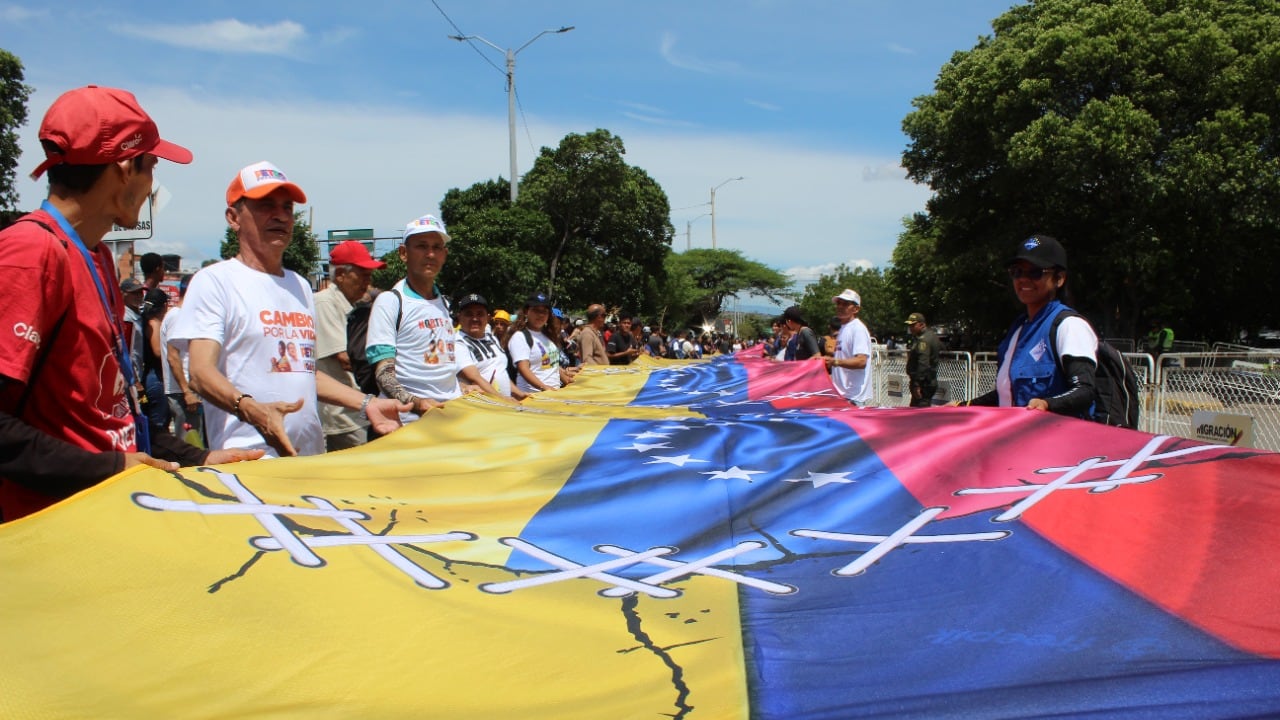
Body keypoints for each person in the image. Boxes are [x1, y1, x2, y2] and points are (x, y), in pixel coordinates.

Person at [0, 85, 261, 522]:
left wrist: (199, 458)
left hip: (104, 518)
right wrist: (108, 470)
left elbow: (109, 415)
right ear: (124, 168)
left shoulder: (97, 256)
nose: (151, 187)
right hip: (47, 532)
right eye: (151, 168)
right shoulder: (29, 252)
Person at [173, 160, 408, 457]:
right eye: (265, 205)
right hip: (248, 459)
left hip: (305, 460)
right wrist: (252, 410)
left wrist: (367, 403)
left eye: (287, 207)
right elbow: (200, 372)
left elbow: (304, 372)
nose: (280, 216)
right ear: (233, 217)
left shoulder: (299, 286)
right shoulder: (214, 281)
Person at [955, 234, 1099, 417]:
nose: (1023, 279)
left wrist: (1047, 404)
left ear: (1059, 279)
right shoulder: (1017, 331)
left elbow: (1084, 390)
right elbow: (1006, 395)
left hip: (1056, 441)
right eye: (1017, 272)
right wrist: (963, 405)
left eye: (1035, 272)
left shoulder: (1070, 326)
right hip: (1016, 440)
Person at [367, 214, 462, 423]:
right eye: (421, 246)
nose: (430, 254)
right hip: (408, 421)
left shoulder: (444, 304)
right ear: (403, 253)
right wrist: (417, 403)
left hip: (450, 416)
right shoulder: (390, 302)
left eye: (437, 247)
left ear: (444, 255)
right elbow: (383, 374)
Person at [314, 241, 385, 451]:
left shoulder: (350, 306)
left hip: (359, 410)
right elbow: (345, 359)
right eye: (362, 274)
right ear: (341, 275)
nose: (368, 281)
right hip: (342, 417)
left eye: (369, 275)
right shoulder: (325, 302)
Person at [454, 293, 526, 400]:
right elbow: (474, 378)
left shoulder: (491, 337)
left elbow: (499, 371)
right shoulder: (456, 343)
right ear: (459, 317)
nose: (475, 318)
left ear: (487, 318)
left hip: (501, 405)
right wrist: (503, 399)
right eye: (469, 314)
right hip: (480, 407)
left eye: (480, 314)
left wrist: (519, 393)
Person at [160, 275, 203, 445]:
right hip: (182, 392)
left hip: (186, 390)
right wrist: (187, 392)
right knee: (190, 444)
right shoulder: (178, 316)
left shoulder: (181, 315)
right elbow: (173, 356)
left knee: (194, 442)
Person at [506, 292, 575, 393]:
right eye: (536, 310)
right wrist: (543, 387)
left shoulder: (547, 335)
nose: (541, 315)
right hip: (533, 397)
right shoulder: (520, 337)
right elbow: (523, 369)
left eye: (545, 311)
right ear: (526, 311)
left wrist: (567, 378)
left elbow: (551, 365)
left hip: (553, 395)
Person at [825, 289, 874, 406]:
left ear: (856, 309)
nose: (840, 307)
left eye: (846, 304)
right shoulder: (844, 328)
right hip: (843, 396)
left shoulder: (857, 329)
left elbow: (861, 361)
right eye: (839, 303)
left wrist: (835, 362)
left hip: (853, 398)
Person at [904, 312, 943, 407]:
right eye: (909, 325)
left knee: (919, 412)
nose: (910, 328)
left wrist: (917, 384)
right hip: (926, 381)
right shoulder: (930, 336)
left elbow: (923, 363)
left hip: (924, 383)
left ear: (922, 324)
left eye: (913, 325)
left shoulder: (924, 340)